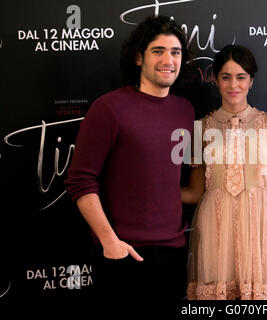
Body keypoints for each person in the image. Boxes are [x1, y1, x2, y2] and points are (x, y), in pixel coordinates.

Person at [64, 15, 194, 300]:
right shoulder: (110, 108)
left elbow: (171, 181)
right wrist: (110, 242)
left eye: (175, 52)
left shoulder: (185, 110)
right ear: (139, 57)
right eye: (157, 51)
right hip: (124, 253)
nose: (168, 59)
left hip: (174, 252)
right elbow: (80, 181)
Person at [182, 45, 267, 300]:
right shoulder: (200, 128)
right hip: (214, 230)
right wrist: (154, 194)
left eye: (241, 77)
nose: (234, 85)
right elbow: (196, 192)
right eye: (226, 77)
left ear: (251, 81)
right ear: (215, 79)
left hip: (259, 233)